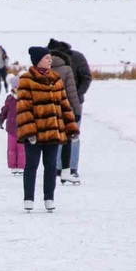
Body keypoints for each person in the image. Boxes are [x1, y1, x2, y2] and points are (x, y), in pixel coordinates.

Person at [16, 47, 79, 212]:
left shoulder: (56, 79)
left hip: (52, 131)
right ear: (37, 61)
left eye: (50, 58)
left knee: (50, 166)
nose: (50, 61)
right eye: (46, 58)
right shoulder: (26, 80)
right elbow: (24, 107)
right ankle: (28, 198)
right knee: (31, 165)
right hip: (35, 133)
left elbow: (65, 105)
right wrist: (29, 132)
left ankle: (49, 198)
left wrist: (71, 127)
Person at [49, 39, 92, 182]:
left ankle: (72, 167)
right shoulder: (48, 61)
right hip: (55, 103)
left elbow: (86, 78)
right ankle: (58, 167)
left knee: (73, 136)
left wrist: (77, 94)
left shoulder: (77, 58)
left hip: (75, 103)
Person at [48, 46, 81, 185]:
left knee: (50, 141)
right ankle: (66, 171)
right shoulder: (67, 69)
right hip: (64, 109)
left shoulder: (45, 69)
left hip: (47, 110)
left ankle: (51, 170)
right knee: (67, 139)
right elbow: (72, 92)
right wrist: (77, 111)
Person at [0, 74, 25, 175]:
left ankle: (21, 166)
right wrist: (1, 120)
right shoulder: (10, 99)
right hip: (11, 128)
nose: (17, 89)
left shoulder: (26, 99)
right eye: (15, 87)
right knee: (12, 148)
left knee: (21, 148)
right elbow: (4, 110)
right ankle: (13, 166)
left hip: (23, 128)